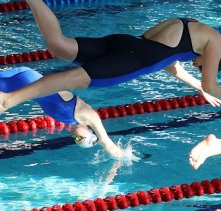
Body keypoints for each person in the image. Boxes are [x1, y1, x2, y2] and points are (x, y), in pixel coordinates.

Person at [1, 0, 221, 120]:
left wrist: (197, 87)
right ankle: (9, 100)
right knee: (69, 79)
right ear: (212, 60)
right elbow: (211, 84)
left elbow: (170, 63)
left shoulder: (193, 28)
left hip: (123, 42)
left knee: (58, 45)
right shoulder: (215, 42)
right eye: (200, 67)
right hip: (129, 61)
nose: (196, 66)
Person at [0, 66, 131, 160]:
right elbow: (107, 143)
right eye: (80, 138)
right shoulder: (88, 116)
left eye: (76, 140)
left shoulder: (72, 120)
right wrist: (125, 156)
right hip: (25, 82)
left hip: (22, 78)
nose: (75, 137)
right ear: (91, 132)